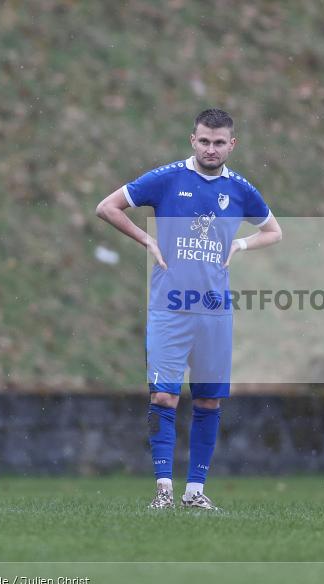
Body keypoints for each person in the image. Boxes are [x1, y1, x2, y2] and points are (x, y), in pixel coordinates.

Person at [96, 108, 282, 510]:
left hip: (214, 312)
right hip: (170, 309)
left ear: (232, 145)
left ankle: (194, 492)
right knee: (164, 397)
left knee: (208, 401)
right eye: (204, 141)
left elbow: (273, 231)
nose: (211, 149)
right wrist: (146, 240)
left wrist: (241, 244)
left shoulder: (240, 189)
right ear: (192, 140)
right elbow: (107, 207)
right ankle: (163, 491)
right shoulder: (167, 179)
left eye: (219, 142)